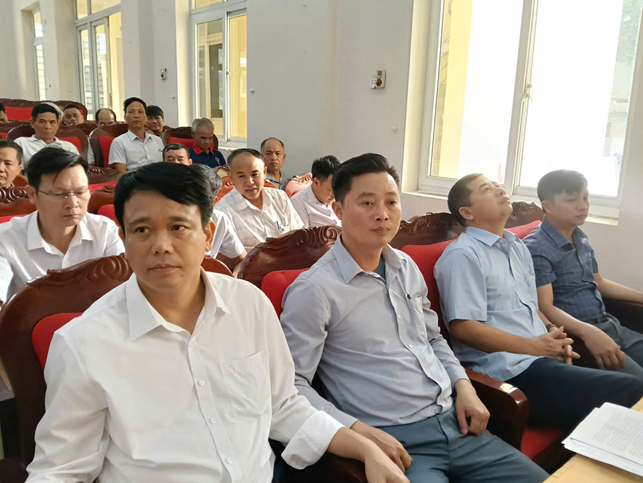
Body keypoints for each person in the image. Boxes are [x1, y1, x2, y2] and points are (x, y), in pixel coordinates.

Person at [25, 162, 409, 483]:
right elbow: (60, 470)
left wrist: (365, 448)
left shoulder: (249, 305)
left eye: (178, 227)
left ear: (208, 235)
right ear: (124, 239)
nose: (161, 245)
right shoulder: (84, 343)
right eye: (142, 230)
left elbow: (282, 406)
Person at [281, 155, 549, 483]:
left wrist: (464, 386)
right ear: (338, 209)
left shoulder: (405, 266)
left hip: (458, 425)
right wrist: (358, 433)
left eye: (391, 202)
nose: (382, 213)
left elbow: (433, 338)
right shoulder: (314, 289)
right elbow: (292, 385)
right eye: (367, 202)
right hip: (396, 443)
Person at [433, 173, 643, 430]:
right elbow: (464, 328)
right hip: (509, 371)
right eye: (487, 189)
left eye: (498, 185)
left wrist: (553, 333)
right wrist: (535, 346)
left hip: (540, 358)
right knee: (633, 390)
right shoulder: (463, 255)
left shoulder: (516, 246)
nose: (500, 190)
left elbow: (532, 307)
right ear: (467, 212)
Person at [523, 170, 643, 375]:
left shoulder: (580, 237)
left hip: (609, 324)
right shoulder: (536, 248)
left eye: (585, 198)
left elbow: (598, 282)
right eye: (572, 200)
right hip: (579, 336)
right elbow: (544, 306)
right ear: (547, 206)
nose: (582, 206)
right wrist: (589, 332)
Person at [0, 148, 123, 308]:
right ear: (32, 195)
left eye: (80, 192)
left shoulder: (105, 231)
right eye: (59, 194)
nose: (72, 204)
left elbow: (124, 290)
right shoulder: (6, 238)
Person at [163, 145, 247, 271]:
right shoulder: (165, 218)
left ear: (213, 201)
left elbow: (241, 259)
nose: (192, 202)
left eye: (200, 198)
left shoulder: (219, 219)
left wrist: (233, 278)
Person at [214, 148, 304, 251]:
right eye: (241, 176)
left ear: (264, 172)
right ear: (231, 178)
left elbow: (297, 236)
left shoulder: (280, 197)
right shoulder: (222, 211)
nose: (250, 182)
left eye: (254, 174)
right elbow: (219, 255)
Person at [109, 97, 163, 175]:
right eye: (131, 112)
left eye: (140, 112)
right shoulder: (119, 142)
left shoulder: (157, 140)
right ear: (125, 117)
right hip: (135, 181)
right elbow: (121, 174)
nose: (136, 116)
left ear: (145, 117)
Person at [14, 103, 79, 166]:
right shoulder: (21, 143)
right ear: (32, 123)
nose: (47, 127)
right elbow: (16, 171)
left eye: (52, 122)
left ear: (58, 125)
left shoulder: (69, 148)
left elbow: (79, 171)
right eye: (42, 122)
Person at [290, 155, 342, 228]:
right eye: (331, 190)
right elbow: (301, 234)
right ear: (315, 182)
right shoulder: (298, 202)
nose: (334, 195)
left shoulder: (339, 199)